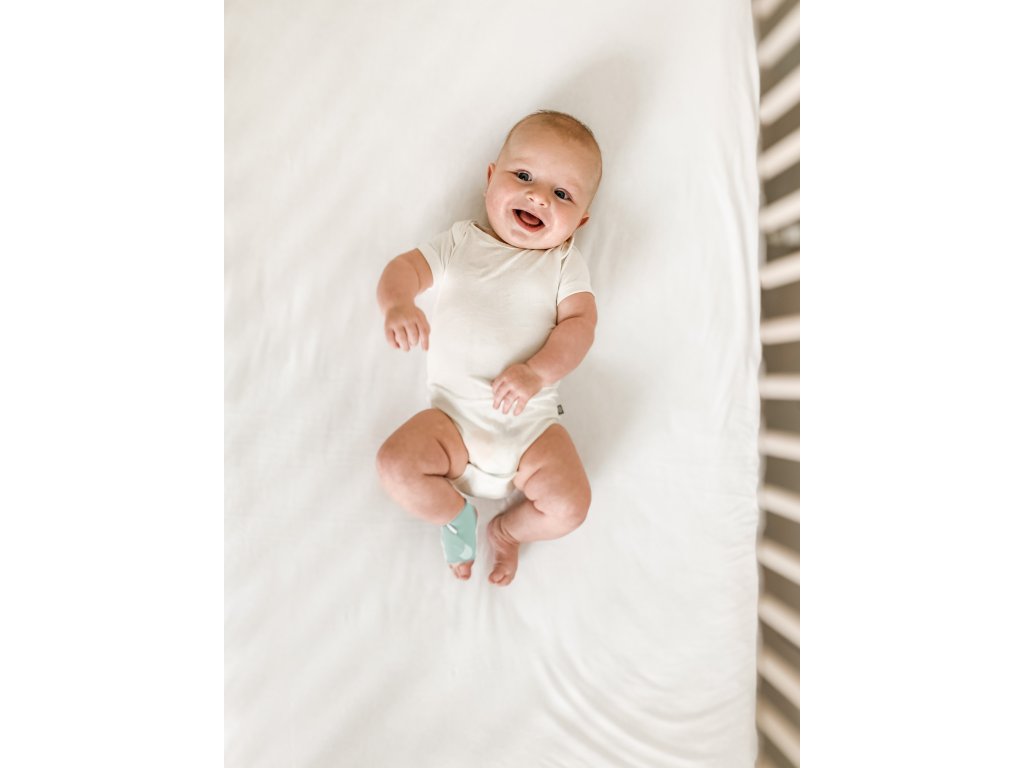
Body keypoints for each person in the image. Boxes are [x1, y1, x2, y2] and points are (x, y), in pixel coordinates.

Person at [375, 110, 602, 586]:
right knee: (395, 465)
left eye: (562, 194)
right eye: (523, 176)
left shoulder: (563, 263)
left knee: (571, 506)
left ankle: (509, 531)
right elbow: (405, 269)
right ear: (490, 178)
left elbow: (580, 325)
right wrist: (398, 303)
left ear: (580, 220)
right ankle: (456, 516)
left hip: (530, 430)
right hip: (452, 423)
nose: (538, 197)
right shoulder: (462, 242)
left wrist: (537, 372)